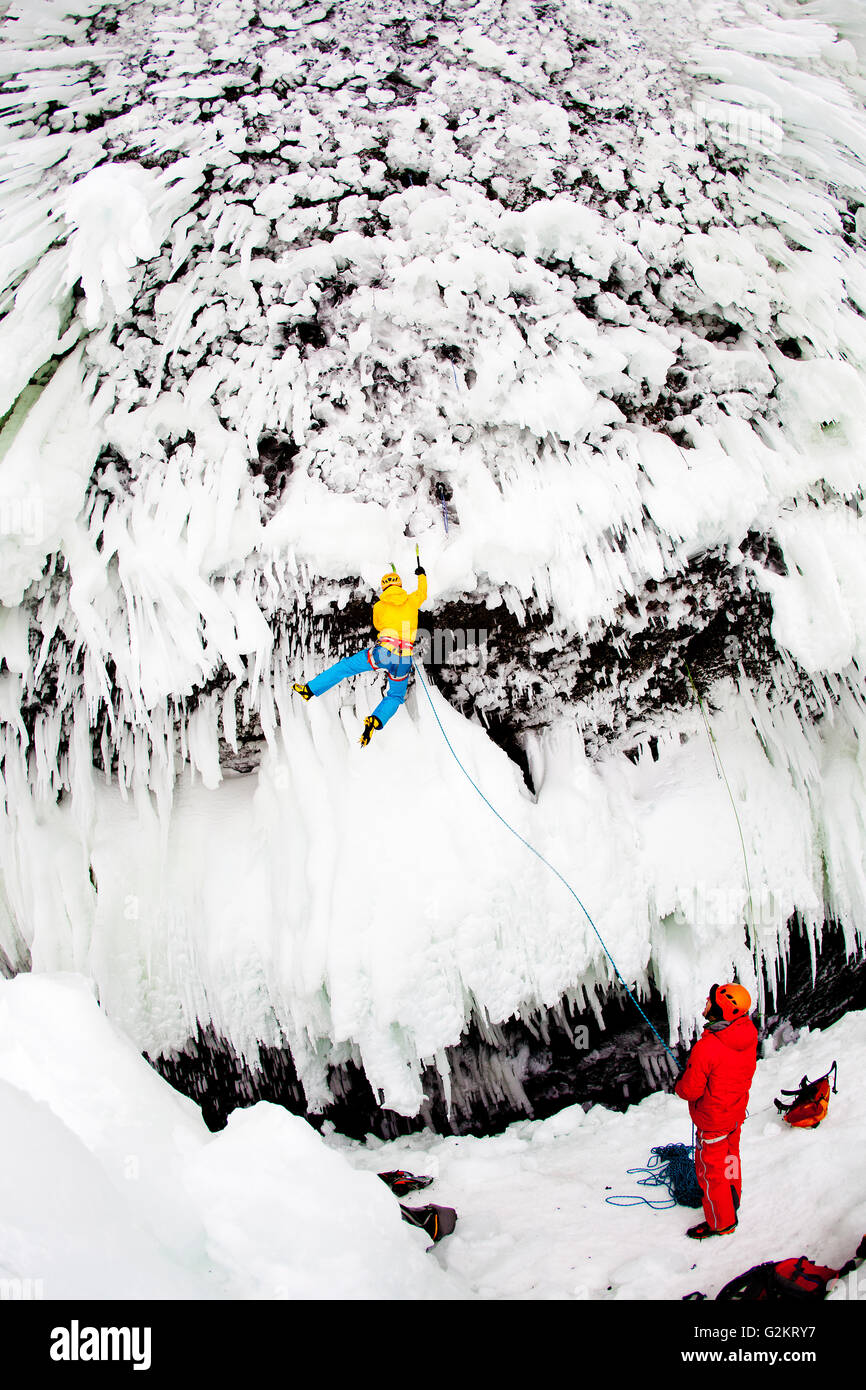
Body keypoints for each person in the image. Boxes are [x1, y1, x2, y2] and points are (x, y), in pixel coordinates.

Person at [293, 558, 427, 746]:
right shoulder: (412, 601)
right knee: (395, 696)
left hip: (384, 653)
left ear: (384, 588)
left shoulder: (380, 605)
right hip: (404, 659)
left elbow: (378, 624)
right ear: (400, 585)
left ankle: (310, 689)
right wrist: (421, 575)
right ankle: (375, 720)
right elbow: (423, 592)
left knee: (345, 668)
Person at [674, 982, 758, 1240]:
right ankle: (733, 1200)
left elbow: (690, 1091)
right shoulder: (747, 1034)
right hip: (734, 1114)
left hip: (713, 1121)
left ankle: (721, 1222)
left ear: (722, 1010)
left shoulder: (708, 1048)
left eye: (711, 1001)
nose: (706, 1003)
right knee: (731, 1158)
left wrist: (679, 1082)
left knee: (712, 1175)